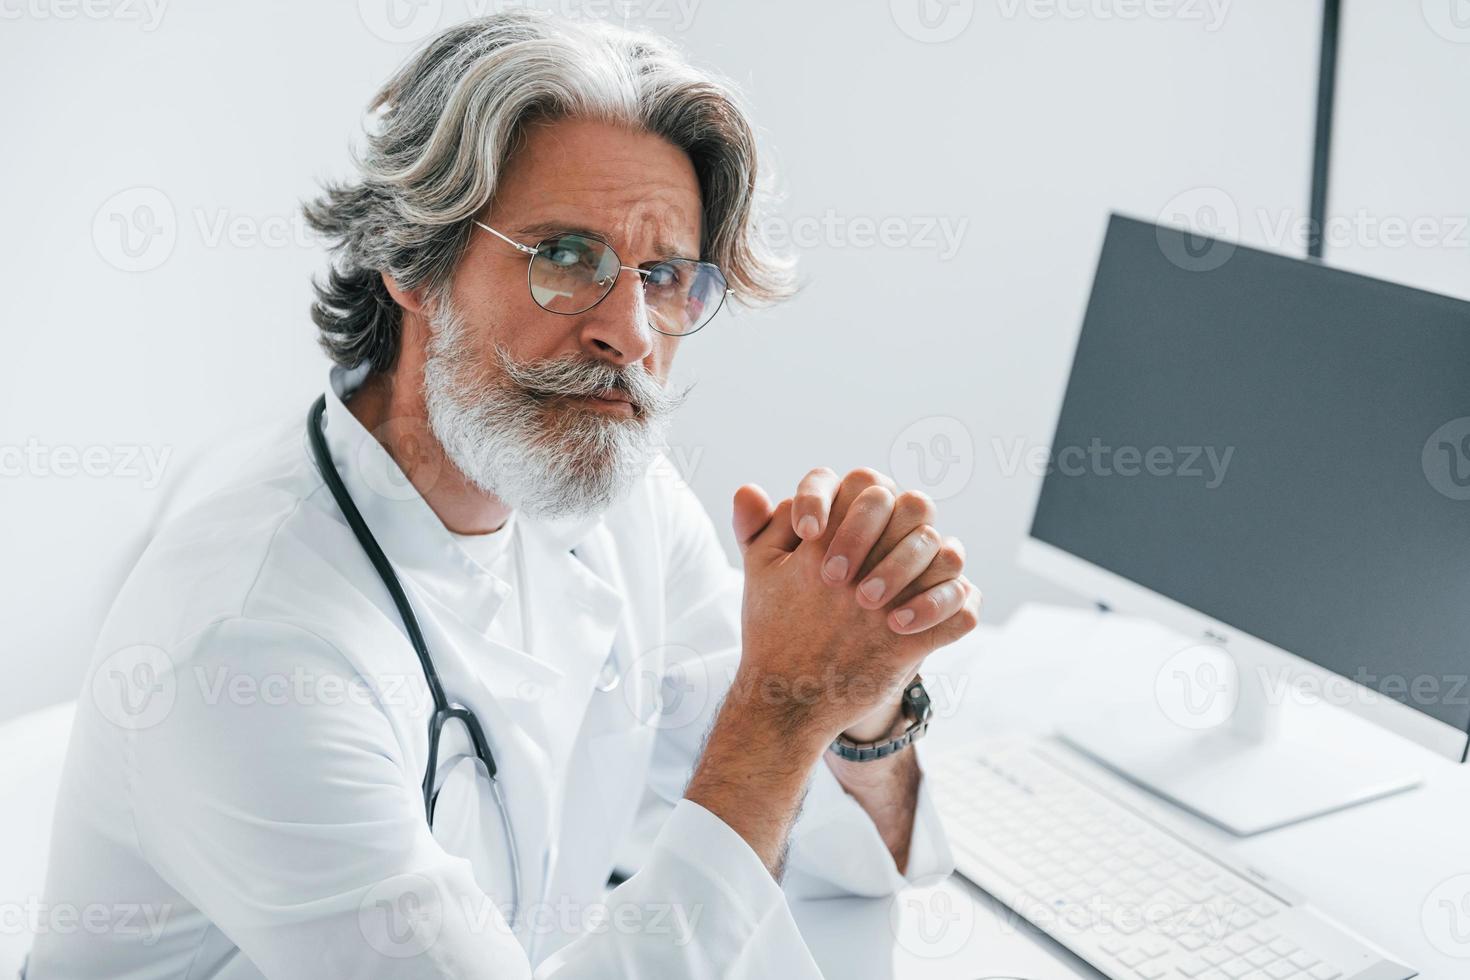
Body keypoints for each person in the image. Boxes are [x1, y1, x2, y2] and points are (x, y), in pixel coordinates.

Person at [28, 12, 981, 978]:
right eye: (566, 256)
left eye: (664, 276)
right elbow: (756, 792)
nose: (631, 334)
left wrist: (857, 693)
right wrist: (780, 719)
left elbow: (842, 868)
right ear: (411, 260)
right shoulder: (249, 642)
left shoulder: (620, 500)